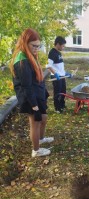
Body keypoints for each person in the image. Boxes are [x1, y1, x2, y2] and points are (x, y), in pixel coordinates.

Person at [10, 28, 54, 157]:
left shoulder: (29, 55)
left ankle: (40, 139)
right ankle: (36, 150)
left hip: (37, 94)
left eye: (38, 46)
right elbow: (26, 87)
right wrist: (34, 106)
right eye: (34, 46)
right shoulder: (22, 61)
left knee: (43, 118)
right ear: (25, 43)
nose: (37, 49)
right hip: (30, 98)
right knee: (35, 122)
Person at [47, 36, 67, 113]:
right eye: (63, 46)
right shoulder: (52, 53)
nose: (63, 47)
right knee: (57, 93)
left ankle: (62, 105)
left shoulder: (58, 53)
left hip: (62, 76)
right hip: (56, 77)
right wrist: (55, 74)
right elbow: (48, 66)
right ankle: (57, 108)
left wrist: (65, 73)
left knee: (63, 92)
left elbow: (60, 65)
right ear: (58, 44)